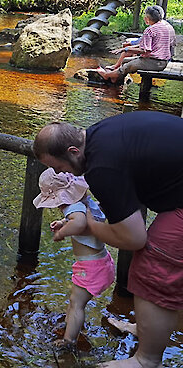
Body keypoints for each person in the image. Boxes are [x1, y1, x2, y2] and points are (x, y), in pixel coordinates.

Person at [33, 111, 183, 368]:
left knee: (155, 265)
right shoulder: (100, 133)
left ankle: (146, 360)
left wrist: (90, 225)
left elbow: (135, 237)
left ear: (72, 151)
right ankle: (150, 327)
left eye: (59, 167)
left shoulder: (100, 167)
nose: (61, 173)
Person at [33, 168, 115, 349]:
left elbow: (79, 223)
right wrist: (63, 222)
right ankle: (73, 325)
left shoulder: (73, 207)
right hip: (101, 262)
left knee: (77, 304)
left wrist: (61, 233)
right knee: (74, 302)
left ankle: (68, 341)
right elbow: (80, 220)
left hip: (91, 268)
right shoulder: (86, 203)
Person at [97, 5, 175, 83]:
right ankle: (115, 79)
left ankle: (106, 75)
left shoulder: (149, 30)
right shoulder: (165, 28)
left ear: (147, 18)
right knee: (124, 60)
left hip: (153, 62)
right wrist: (126, 49)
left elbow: (144, 50)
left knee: (127, 66)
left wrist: (126, 49)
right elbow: (149, 45)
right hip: (163, 63)